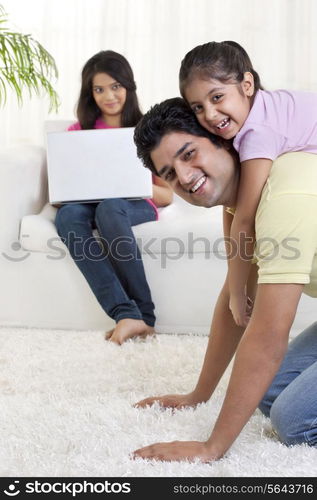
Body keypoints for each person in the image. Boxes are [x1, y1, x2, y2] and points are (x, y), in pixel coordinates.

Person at [132, 97, 317, 463]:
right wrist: (197, 394)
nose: (184, 178)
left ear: (224, 139)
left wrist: (212, 447)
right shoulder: (242, 203)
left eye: (189, 154)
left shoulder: (284, 194)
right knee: (269, 391)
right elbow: (236, 297)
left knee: (294, 419)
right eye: (169, 172)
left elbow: (268, 335)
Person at [178, 40, 317, 329]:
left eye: (217, 97)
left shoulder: (257, 133)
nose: (210, 115)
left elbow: (244, 220)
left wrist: (237, 294)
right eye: (198, 107)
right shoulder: (264, 107)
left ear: (247, 84)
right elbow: (232, 210)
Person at [55, 51, 173, 345]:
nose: (108, 95)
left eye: (115, 86)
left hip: (132, 204)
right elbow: (62, 194)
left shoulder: (148, 129)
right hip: (86, 204)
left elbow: (167, 194)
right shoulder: (76, 132)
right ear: (89, 93)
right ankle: (125, 314)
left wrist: (129, 186)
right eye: (99, 89)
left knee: (109, 208)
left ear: (128, 87)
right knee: (67, 216)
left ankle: (145, 317)